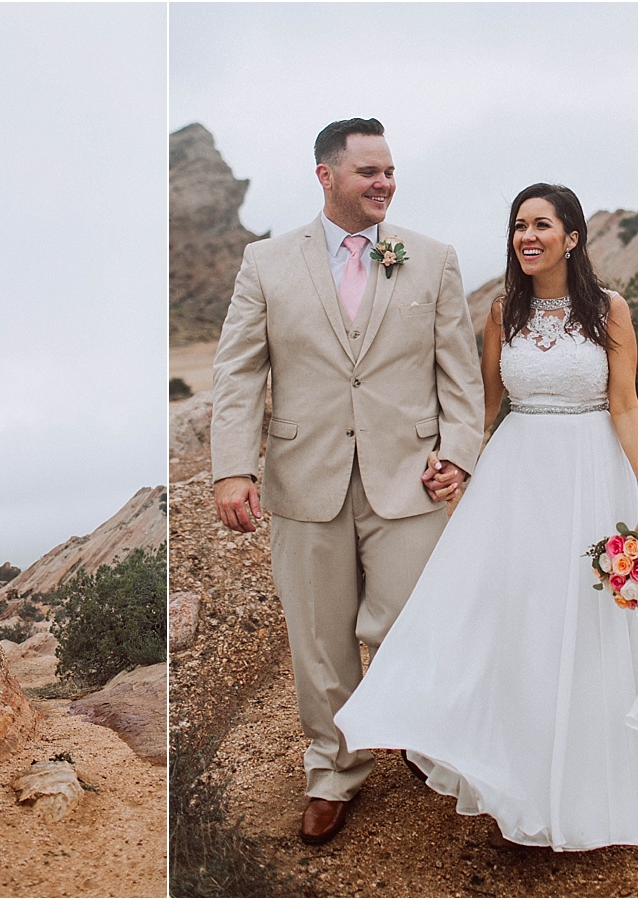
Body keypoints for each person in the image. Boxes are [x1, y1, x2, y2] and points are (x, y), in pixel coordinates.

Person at [334, 182, 638, 851]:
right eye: (519, 225)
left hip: (590, 472)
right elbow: (485, 406)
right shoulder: (503, 313)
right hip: (517, 477)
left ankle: (582, 793)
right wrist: (457, 464)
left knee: (587, 626)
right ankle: (515, 778)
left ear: (572, 237)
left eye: (542, 225)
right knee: (512, 616)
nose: (528, 236)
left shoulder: (610, 310)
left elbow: (625, 405)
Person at [208, 117, 483, 845]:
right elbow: (237, 371)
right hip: (305, 480)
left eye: (389, 171)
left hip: (411, 479)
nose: (384, 183)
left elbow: (457, 367)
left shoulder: (433, 259)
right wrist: (233, 467)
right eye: (369, 172)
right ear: (326, 176)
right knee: (321, 641)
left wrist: (460, 447)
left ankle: (425, 743)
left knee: (411, 627)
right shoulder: (265, 263)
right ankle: (334, 768)